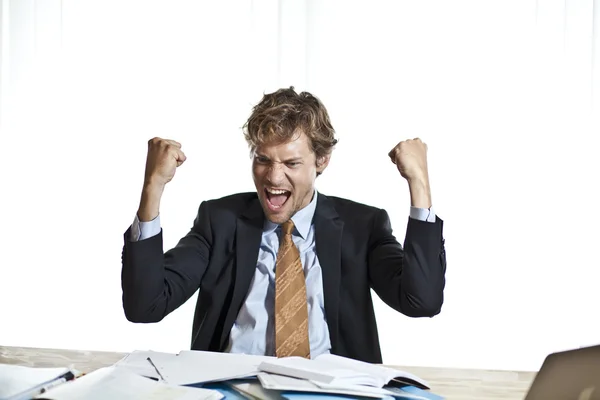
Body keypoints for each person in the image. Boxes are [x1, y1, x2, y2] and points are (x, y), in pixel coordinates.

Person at [121, 87, 446, 364]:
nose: (274, 178)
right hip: (234, 388)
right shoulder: (219, 220)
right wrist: (154, 186)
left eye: (291, 163)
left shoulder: (363, 226)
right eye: (263, 159)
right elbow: (145, 306)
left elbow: (421, 301)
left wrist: (419, 185)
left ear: (321, 161)